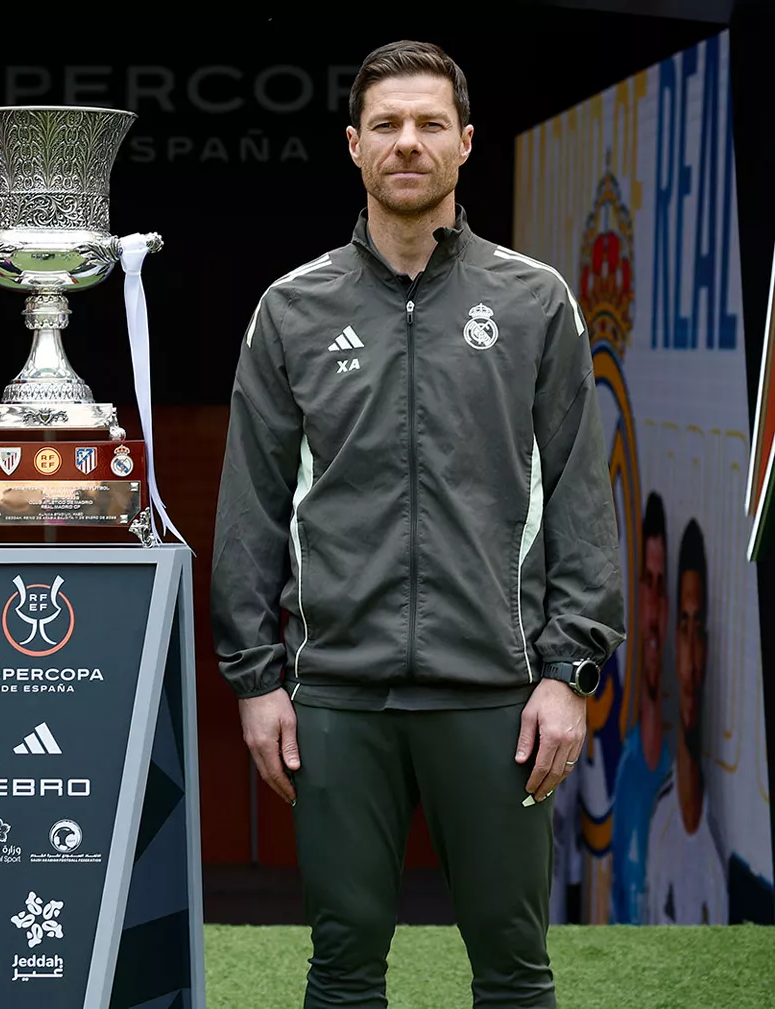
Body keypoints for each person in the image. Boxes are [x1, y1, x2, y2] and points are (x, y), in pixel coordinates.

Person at [210, 40, 624, 1008]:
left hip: (496, 692)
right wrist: (255, 682)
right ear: (353, 146)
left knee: (514, 969)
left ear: (466, 143)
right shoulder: (291, 310)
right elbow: (250, 508)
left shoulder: (533, 302)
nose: (409, 143)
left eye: (430, 124)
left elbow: (579, 496)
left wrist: (570, 675)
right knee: (343, 965)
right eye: (387, 125)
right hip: (338, 697)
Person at [644, 518, 726, 924]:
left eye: (700, 629)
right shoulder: (658, 821)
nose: (692, 660)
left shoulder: (719, 833)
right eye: (684, 627)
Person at [609, 491, 673, 924]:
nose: (651, 610)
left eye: (661, 584)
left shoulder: (682, 779)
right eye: (645, 583)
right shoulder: (627, 764)